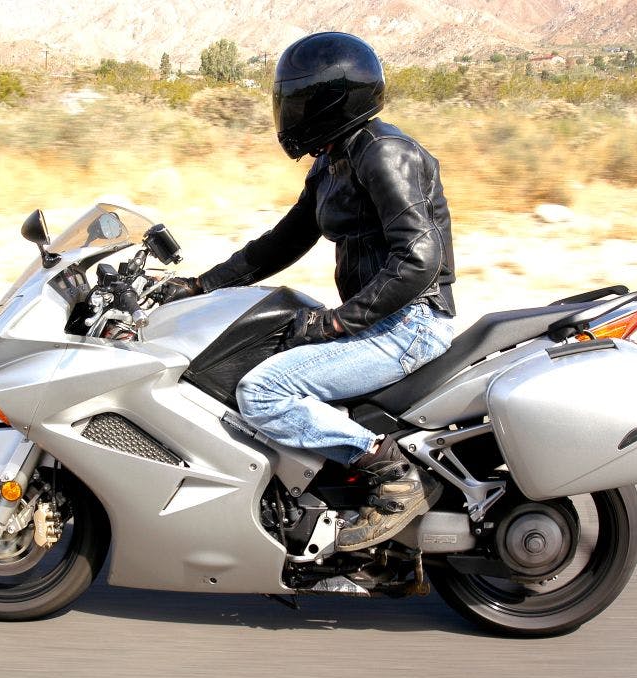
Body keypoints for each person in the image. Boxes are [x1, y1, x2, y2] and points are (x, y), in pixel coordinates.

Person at [158, 32, 456, 551]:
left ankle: (392, 473)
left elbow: (418, 259)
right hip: (380, 318)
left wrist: (338, 321)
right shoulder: (335, 159)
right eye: (287, 102)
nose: (290, 114)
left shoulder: (384, 153)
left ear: (333, 101)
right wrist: (200, 285)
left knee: (263, 392)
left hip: (410, 323)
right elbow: (284, 241)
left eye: (301, 102)